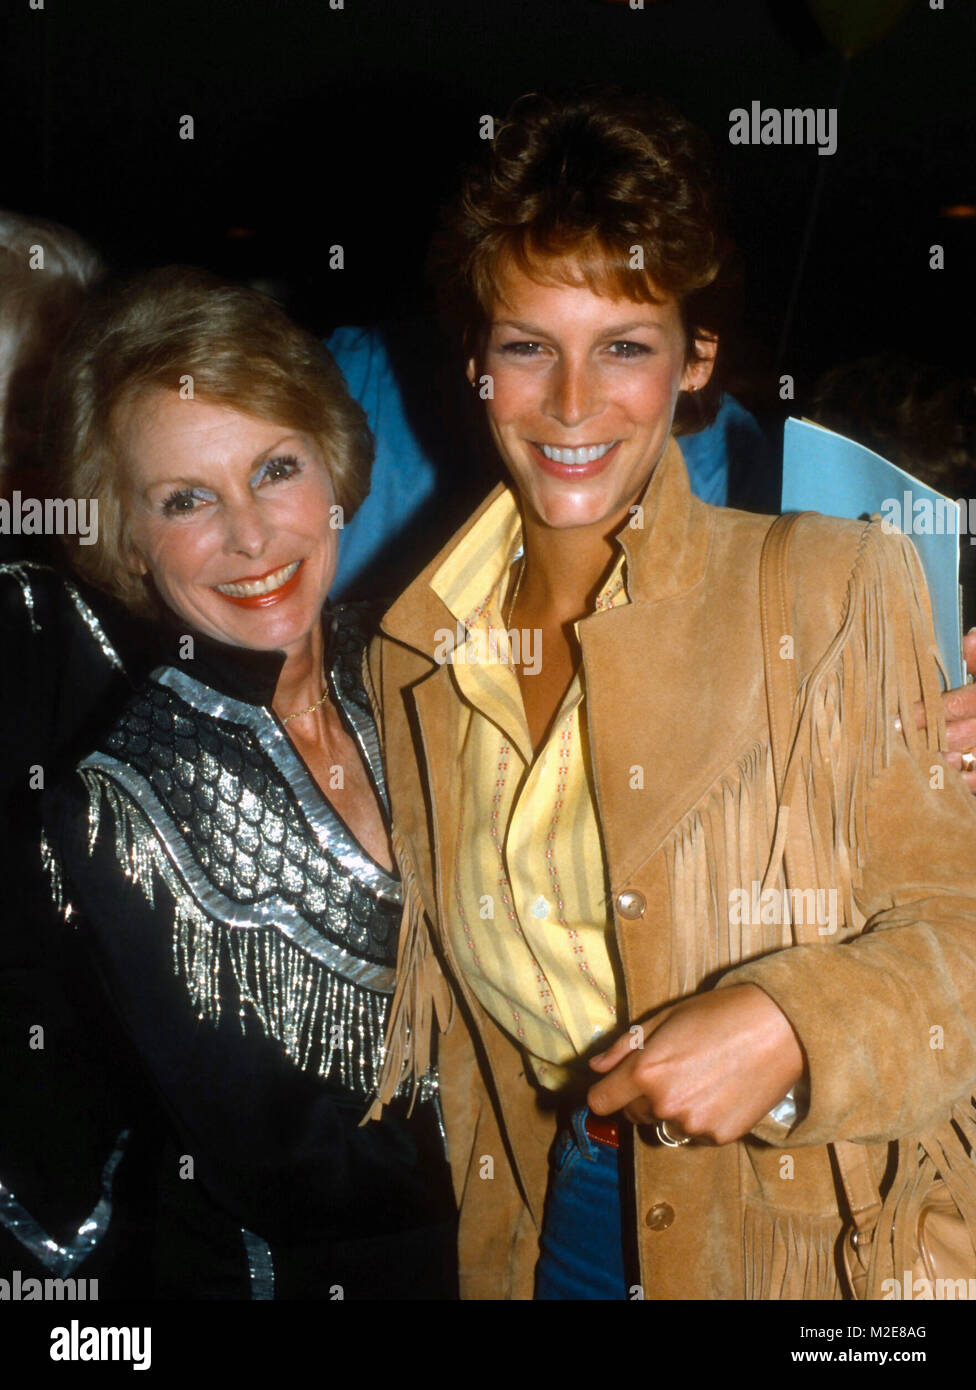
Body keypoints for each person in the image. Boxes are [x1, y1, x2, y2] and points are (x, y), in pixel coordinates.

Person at [366, 91, 976, 1300]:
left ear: (695, 363)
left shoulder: (829, 584)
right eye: (528, 344)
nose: (573, 403)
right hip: (552, 1210)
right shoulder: (412, 649)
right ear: (477, 364)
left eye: (626, 346)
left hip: (811, 1238)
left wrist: (796, 1027)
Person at [41, 267, 457, 1299]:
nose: (250, 533)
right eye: (187, 498)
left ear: (335, 471)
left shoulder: (426, 663)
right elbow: (299, 1172)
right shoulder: (118, 802)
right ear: (127, 537)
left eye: (274, 468)